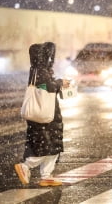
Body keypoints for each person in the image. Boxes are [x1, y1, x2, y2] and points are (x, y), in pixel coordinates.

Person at [15, 42, 70, 187]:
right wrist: (60, 83)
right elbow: (48, 87)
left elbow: (45, 87)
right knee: (47, 145)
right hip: (46, 116)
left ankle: (47, 175)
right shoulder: (40, 71)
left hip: (46, 114)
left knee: (52, 146)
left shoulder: (36, 70)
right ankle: (26, 166)